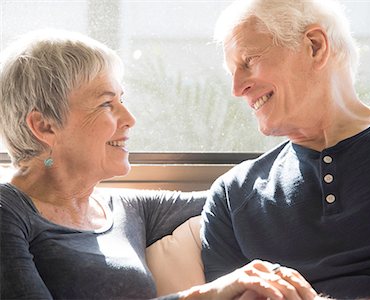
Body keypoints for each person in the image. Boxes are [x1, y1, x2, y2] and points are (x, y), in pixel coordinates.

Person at [0, 29, 317, 300]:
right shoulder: (8, 212)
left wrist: (318, 130)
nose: (129, 119)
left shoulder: (127, 209)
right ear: (44, 127)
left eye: (122, 100)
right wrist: (208, 294)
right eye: (107, 103)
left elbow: (238, 193)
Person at [201, 0, 370, 299]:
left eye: (248, 60)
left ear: (315, 46)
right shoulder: (232, 195)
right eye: (232, 73)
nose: (237, 89)